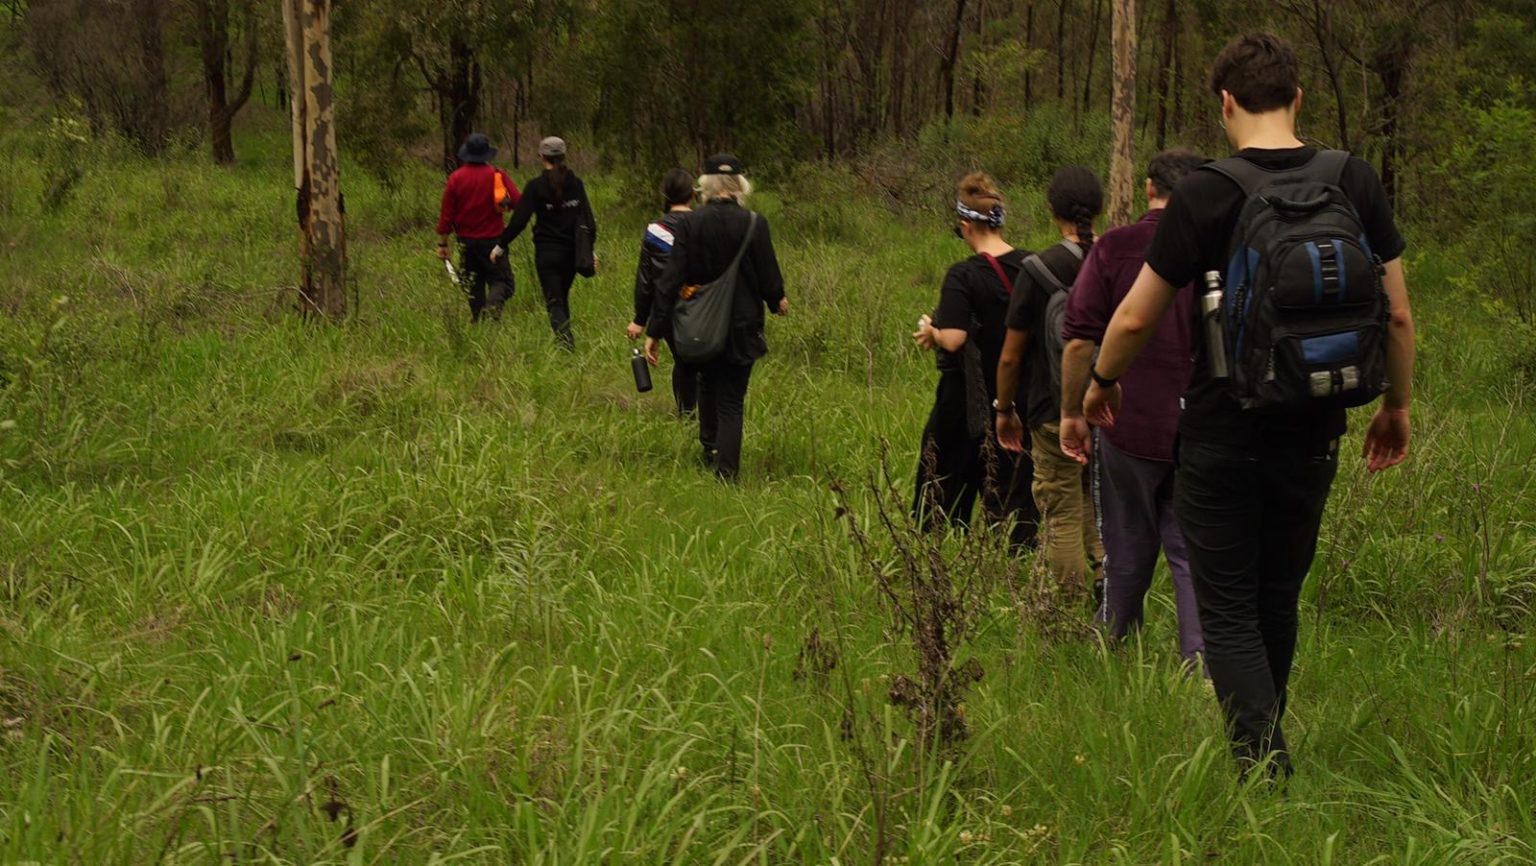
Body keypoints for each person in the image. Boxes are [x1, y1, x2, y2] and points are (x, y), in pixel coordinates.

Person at [1075, 32, 1414, 776]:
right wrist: (1395, 406)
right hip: (1319, 422)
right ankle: (1267, 742)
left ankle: (1262, 766)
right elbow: (1395, 314)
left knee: (1226, 607)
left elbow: (1133, 318)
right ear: (1299, 97)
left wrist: (1101, 383)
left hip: (1224, 432)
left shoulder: (1208, 189)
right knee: (1278, 594)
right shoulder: (1352, 178)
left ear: (1225, 104)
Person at [1058, 149, 1209, 667]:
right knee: (1191, 553)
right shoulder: (1220, 252)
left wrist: (1073, 413)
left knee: (1124, 547)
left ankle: (1116, 652)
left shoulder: (1117, 248)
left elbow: (1079, 341)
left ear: (1149, 188)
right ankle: (1201, 666)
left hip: (1125, 425)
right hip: (1201, 429)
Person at [910, 172, 1039, 547]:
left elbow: (954, 338)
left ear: (967, 226)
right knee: (1013, 484)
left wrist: (932, 331)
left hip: (967, 399)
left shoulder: (963, 275)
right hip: (1021, 397)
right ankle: (1018, 554)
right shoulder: (1033, 265)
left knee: (940, 476)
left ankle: (935, 550)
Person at [995, 166, 1105, 601]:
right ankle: (1107, 592)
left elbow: (1010, 355)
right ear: (1098, 209)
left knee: (1060, 512)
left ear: (1051, 210)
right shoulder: (1114, 260)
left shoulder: (1038, 269)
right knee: (1093, 502)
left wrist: (1005, 410)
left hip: (1049, 409)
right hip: (1105, 403)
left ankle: (1072, 613)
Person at [643, 154, 788, 482]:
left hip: (702, 325)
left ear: (705, 185)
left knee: (707, 383)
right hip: (743, 326)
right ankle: (727, 473)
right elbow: (769, 276)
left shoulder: (691, 224)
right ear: (739, 185)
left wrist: (655, 330)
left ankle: (709, 447)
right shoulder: (754, 223)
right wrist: (777, 300)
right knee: (732, 401)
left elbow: (669, 281)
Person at [493, 136, 598, 350]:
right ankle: (566, 345)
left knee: (555, 301)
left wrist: (500, 245)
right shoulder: (576, 184)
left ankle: (567, 346)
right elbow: (589, 221)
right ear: (564, 156)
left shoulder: (536, 187)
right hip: (571, 254)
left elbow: (519, 220)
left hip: (547, 255)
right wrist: (590, 250)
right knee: (561, 297)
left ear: (541, 156)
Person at [629, 168, 701, 414]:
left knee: (683, 362)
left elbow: (646, 280)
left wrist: (640, 320)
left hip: (668, 311)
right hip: (703, 306)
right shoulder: (703, 226)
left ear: (665, 195)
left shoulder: (654, 231)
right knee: (703, 362)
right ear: (693, 194)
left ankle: (687, 415)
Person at [435, 133, 520, 322]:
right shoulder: (497, 175)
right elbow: (517, 202)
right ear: (486, 155)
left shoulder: (455, 179)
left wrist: (443, 244)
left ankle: (479, 323)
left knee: (474, 285)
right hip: (494, 242)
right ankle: (491, 312)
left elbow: (446, 216)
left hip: (466, 242)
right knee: (503, 282)